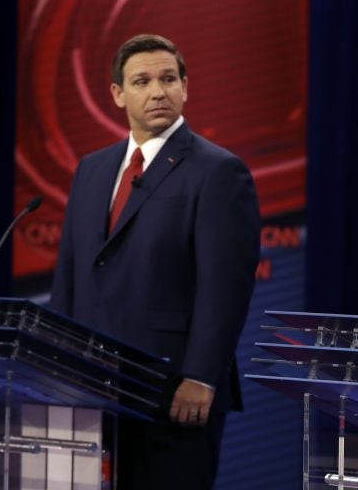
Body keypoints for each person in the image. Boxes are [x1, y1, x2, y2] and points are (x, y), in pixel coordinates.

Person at [50, 34, 260, 489]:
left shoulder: (219, 171)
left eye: (168, 79)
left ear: (186, 87)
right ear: (117, 94)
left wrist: (201, 377)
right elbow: (70, 274)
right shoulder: (92, 169)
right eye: (142, 81)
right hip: (92, 389)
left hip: (171, 393)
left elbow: (226, 287)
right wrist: (57, 368)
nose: (157, 91)